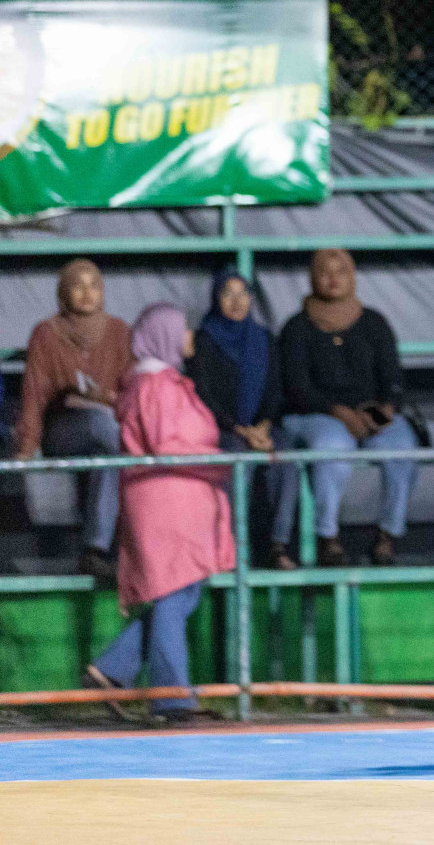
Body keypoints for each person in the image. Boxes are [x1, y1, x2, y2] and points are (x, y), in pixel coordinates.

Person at [83, 303, 233, 724]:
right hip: (165, 503)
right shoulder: (155, 386)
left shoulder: (159, 382)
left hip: (177, 501)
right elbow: (168, 444)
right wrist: (218, 458)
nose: (189, 336)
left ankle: (111, 669)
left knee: (182, 592)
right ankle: (171, 697)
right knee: (172, 593)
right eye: (182, 328)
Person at [279, 250, 418, 567]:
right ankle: (328, 537)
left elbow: (393, 377)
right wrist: (340, 413)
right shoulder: (297, 328)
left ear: (352, 276)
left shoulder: (373, 322)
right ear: (313, 278)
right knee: (332, 446)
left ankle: (387, 535)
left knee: (402, 446)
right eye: (324, 272)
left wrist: (385, 409)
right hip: (316, 414)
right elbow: (297, 389)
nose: (333, 278)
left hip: (368, 415)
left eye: (341, 270)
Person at [13, 259, 132, 578]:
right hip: (64, 429)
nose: (87, 293)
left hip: (111, 429)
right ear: (64, 291)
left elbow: (133, 389)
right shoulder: (47, 333)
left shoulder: (119, 331)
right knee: (106, 431)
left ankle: (95, 550)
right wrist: (27, 445)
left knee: (110, 454)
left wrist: (108, 399)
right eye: (77, 285)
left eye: (94, 285)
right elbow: (35, 393)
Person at [187, 268, 299, 570]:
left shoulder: (263, 339)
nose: (237, 302)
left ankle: (278, 545)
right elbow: (204, 395)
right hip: (224, 428)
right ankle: (233, 547)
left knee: (286, 456)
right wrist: (240, 430)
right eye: (228, 294)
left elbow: (276, 389)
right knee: (236, 459)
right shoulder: (205, 340)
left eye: (243, 294)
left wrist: (262, 426)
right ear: (215, 299)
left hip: (262, 427)